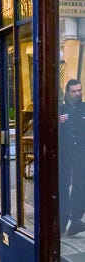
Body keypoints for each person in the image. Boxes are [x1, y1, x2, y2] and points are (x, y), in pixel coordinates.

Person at [59, 79, 85, 236]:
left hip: (81, 153)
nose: (77, 94)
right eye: (74, 91)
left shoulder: (83, 109)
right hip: (64, 154)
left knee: (80, 184)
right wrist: (57, 121)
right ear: (68, 93)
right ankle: (64, 220)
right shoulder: (61, 109)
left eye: (79, 90)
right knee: (63, 185)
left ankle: (75, 218)